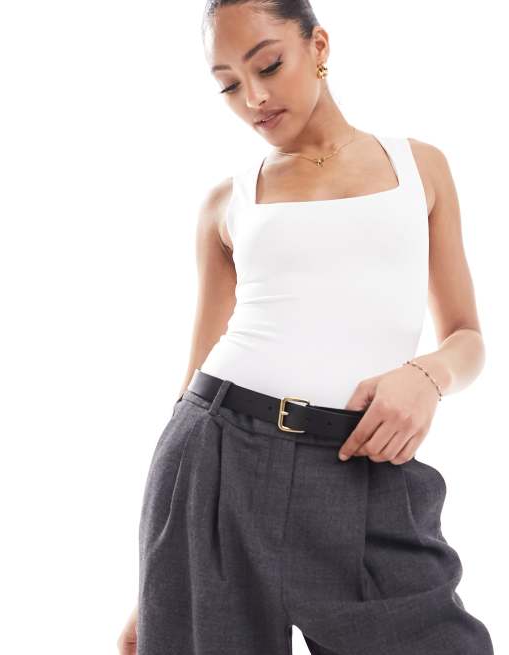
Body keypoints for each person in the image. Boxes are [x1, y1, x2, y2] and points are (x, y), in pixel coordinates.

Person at [117, 1, 495, 654]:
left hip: (364, 467)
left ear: (318, 45)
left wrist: (426, 375)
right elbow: (194, 372)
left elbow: (467, 336)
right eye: (229, 85)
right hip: (216, 460)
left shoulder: (419, 167)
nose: (254, 99)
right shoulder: (226, 202)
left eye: (268, 65)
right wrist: (156, 576)